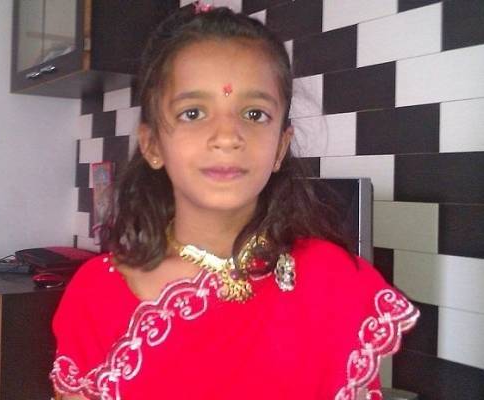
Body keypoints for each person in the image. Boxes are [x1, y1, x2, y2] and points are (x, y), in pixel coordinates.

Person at [50, 4, 419, 400]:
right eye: (193, 113)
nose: (227, 136)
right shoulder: (95, 294)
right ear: (153, 144)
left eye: (254, 114)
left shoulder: (337, 283)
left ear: (280, 147)